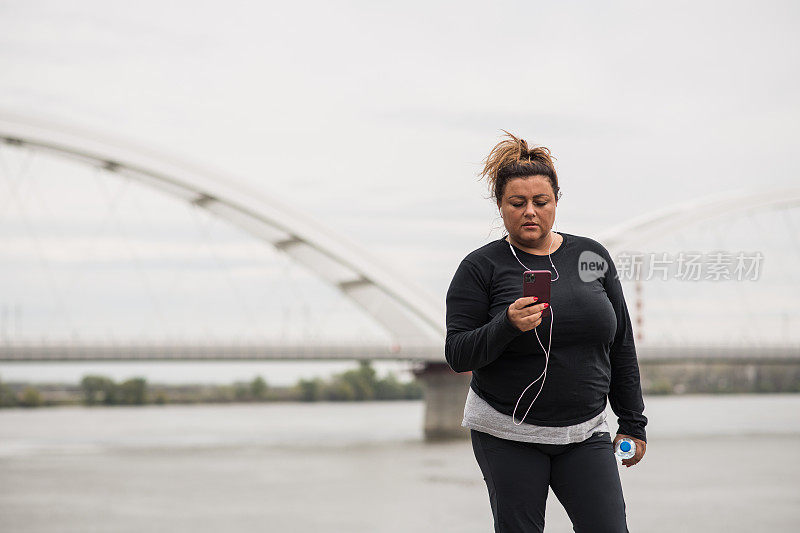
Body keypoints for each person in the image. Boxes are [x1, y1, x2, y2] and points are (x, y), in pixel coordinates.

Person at [444, 131, 647, 533]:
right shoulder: (480, 267)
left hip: (585, 430)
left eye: (541, 201)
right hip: (506, 433)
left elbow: (621, 343)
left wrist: (632, 422)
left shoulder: (592, 256)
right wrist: (506, 325)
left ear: (556, 201)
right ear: (500, 206)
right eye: (517, 203)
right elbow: (457, 353)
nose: (530, 212)